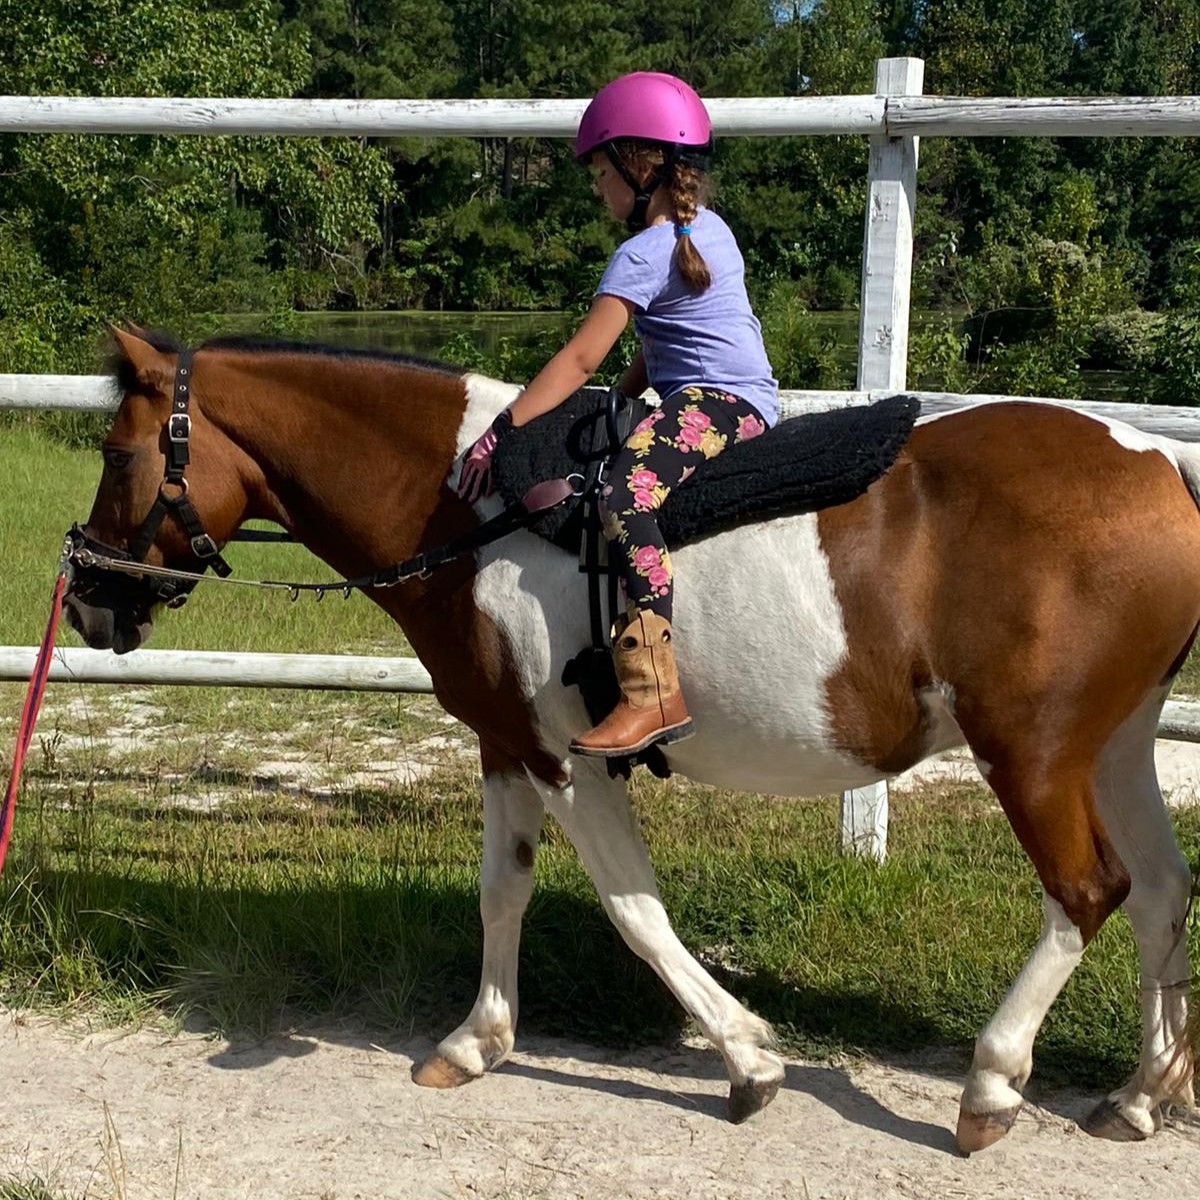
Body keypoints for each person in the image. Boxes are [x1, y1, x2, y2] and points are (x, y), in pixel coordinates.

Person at [458, 71, 778, 759]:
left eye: (602, 172)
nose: (599, 189)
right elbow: (674, 339)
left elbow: (577, 359)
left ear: (640, 167)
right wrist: (626, 392)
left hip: (712, 405)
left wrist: (503, 430)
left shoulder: (641, 252)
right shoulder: (708, 230)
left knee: (624, 497)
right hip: (741, 401)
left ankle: (653, 687)